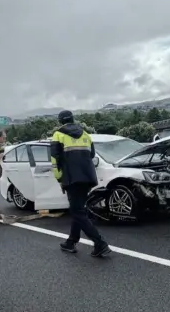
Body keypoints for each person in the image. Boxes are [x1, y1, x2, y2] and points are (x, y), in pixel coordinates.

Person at [51, 110, 111, 257]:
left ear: (60, 121)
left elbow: (54, 160)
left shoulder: (58, 135)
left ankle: (100, 243)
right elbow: (91, 155)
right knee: (78, 210)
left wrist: (59, 178)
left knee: (77, 211)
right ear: (73, 119)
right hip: (87, 177)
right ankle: (71, 242)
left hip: (72, 178)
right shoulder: (85, 134)